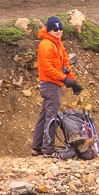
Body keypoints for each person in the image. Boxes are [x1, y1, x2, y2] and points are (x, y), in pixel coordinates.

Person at [31, 15, 85, 157]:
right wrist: (64, 79)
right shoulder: (46, 45)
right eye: (55, 29)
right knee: (51, 117)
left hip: (54, 83)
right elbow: (47, 67)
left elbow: (65, 64)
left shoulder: (58, 44)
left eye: (60, 28)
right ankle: (48, 150)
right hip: (50, 85)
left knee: (44, 116)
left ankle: (36, 147)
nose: (58, 31)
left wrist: (72, 82)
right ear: (49, 30)